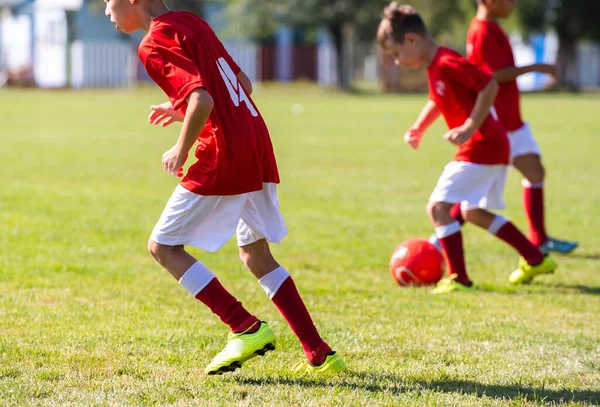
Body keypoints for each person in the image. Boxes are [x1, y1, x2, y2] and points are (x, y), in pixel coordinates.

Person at [103, 0, 346, 375]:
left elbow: (203, 98)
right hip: (255, 141)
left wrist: (180, 149)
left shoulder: (154, 42)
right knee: (255, 255)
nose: (106, 10)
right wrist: (181, 108)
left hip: (226, 151)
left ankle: (244, 326)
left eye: (107, 0)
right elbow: (242, 85)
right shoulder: (191, 22)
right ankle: (318, 351)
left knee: (163, 247)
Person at [377, 2, 558, 293]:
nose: (397, 61)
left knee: (438, 208)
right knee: (473, 213)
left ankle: (460, 279)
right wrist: (418, 128)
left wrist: (470, 126)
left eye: (396, 54)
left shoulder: (448, 61)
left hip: (483, 145)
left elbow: (489, 84)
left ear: (412, 40)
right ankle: (536, 258)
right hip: (490, 145)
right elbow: (437, 99)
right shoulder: (436, 66)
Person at [435, 0, 578, 254]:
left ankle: (539, 239)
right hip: (501, 124)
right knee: (472, 202)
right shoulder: (483, 31)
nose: (513, 2)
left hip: (512, 121)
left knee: (534, 173)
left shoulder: (491, 27)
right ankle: (438, 239)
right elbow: (495, 75)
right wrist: (538, 67)